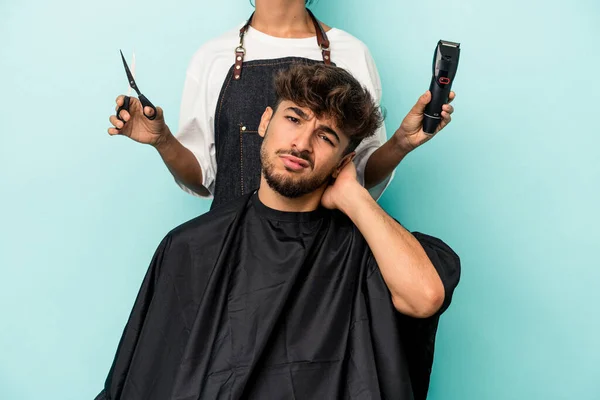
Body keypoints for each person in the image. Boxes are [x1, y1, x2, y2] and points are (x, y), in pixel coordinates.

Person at [96, 63, 460, 400]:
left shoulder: (366, 249)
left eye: (326, 137)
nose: (301, 143)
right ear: (265, 121)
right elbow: (145, 375)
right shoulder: (190, 247)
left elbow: (425, 296)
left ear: (344, 162)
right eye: (294, 119)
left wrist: (353, 195)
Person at [107, 0, 455, 209]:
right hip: (231, 257)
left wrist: (402, 143)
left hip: (323, 266)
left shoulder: (353, 53)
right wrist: (163, 139)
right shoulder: (212, 57)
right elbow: (203, 177)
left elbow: (360, 175)